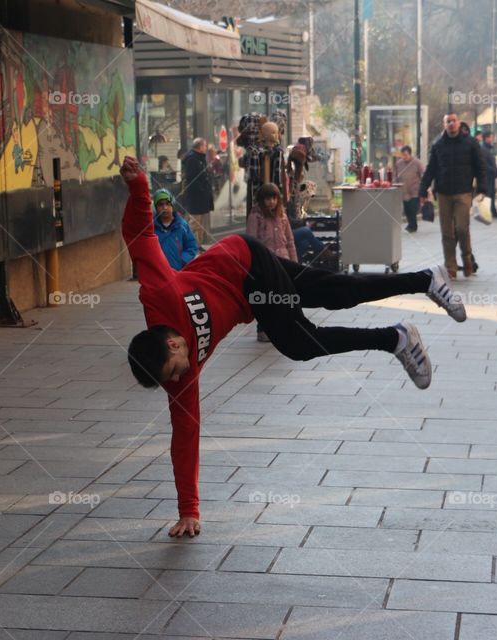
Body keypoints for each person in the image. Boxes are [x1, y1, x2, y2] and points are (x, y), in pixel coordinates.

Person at [120, 155, 467, 537]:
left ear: (172, 343)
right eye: (172, 378)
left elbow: (140, 237)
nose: (182, 375)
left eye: (176, 368)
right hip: (255, 291)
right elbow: (184, 437)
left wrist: (138, 187)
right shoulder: (179, 379)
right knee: (337, 291)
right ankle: (424, 283)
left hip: (244, 261)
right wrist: (189, 509)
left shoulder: (158, 295)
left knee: (299, 343)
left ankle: (395, 338)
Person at [418, 113, 487, 279]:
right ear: (444, 125)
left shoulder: (470, 143)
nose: (451, 124)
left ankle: (467, 259)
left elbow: (480, 167)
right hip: (443, 194)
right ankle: (451, 266)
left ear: (458, 123)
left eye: (454, 121)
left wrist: (482, 188)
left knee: (462, 229)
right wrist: (423, 190)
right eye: (448, 121)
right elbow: (431, 170)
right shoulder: (438, 145)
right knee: (447, 232)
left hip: (463, 192)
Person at [247, 183, 298, 342]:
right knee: (265, 298)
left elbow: (290, 241)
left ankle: (281, 328)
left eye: (274, 198)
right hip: (265, 263)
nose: (271, 202)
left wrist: (295, 264)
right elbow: (251, 242)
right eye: (268, 198)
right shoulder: (256, 216)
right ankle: (262, 329)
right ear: (262, 200)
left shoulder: (282, 216)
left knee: (283, 296)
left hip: (284, 261)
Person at [153, 188, 198, 271]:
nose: (165, 207)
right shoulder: (152, 228)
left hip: (178, 272)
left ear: (172, 206)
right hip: (159, 272)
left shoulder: (182, 225)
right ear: (156, 208)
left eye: (168, 204)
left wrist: (183, 260)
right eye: (161, 205)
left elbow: (192, 246)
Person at [180, 138, 214, 247]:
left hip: (199, 197)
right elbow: (192, 179)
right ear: (199, 147)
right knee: (194, 223)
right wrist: (202, 189)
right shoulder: (192, 159)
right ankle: (189, 244)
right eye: (204, 146)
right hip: (195, 197)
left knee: (198, 223)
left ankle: (197, 245)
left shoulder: (198, 158)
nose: (206, 148)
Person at [395, 145, 425, 232]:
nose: (404, 157)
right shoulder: (399, 163)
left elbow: (423, 173)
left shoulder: (417, 162)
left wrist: (424, 186)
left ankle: (412, 226)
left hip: (415, 190)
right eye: (402, 155)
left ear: (410, 154)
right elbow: (396, 175)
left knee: (412, 208)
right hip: (404, 190)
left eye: (406, 155)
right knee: (407, 208)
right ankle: (411, 224)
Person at [478, 131, 497, 218]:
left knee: (491, 193)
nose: (493, 139)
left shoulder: (488, 148)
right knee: (488, 194)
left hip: (490, 175)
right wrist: (492, 170)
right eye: (491, 137)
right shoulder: (483, 149)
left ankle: (492, 210)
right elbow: (483, 163)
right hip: (487, 175)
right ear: (487, 138)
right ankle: (485, 213)